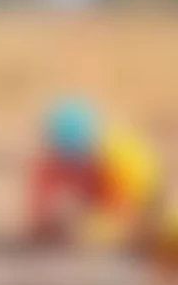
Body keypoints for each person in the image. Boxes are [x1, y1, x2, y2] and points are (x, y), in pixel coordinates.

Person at [26, 99, 164, 253]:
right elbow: (37, 209)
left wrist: (80, 228)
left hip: (133, 199)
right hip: (109, 201)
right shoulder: (53, 161)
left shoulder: (124, 161)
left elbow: (129, 216)